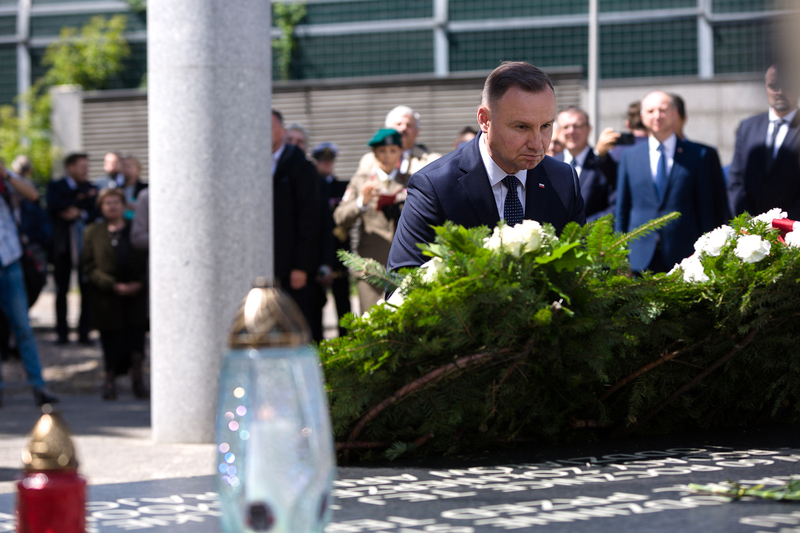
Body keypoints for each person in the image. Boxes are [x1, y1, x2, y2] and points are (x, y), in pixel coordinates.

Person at [387, 61, 586, 272]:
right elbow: (402, 278)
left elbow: (585, 271)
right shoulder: (434, 186)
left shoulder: (563, 180)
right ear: (484, 120)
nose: (537, 143)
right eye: (522, 127)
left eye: (546, 126)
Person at [615, 91, 730, 273]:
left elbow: (708, 208)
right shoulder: (629, 157)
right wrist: (619, 256)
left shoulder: (698, 155)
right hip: (639, 257)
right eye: (650, 111)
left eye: (662, 110)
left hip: (686, 256)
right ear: (643, 117)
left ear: (675, 113)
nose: (657, 116)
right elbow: (622, 209)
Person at [0, 158, 59, 407]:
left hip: (10, 258)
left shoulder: (6, 180)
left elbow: (33, 195)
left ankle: (38, 386)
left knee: (22, 326)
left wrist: (5, 174)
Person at [82, 188, 149, 400]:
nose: (112, 207)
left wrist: (139, 283)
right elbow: (89, 266)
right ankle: (110, 381)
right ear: (101, 207)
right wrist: (112, 285)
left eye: (116, 202)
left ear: (124, 205)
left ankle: (138, 381)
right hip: (108, 299)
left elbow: (148, 259)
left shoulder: (136, 230)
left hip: (136, 296)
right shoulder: (92, 232)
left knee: (136, 343)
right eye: (107, 203)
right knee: (110, 343)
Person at [334, 129, 409, 311]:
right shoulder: (361, 181)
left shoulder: (411, 181)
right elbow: (339, 217)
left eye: (393, 150)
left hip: (404, 267)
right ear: (374, 153)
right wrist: (361, 202)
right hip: (370, 269)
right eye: (382, 151)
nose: (387, 156)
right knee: (371, 320)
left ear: (400, 152)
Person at [727, 64, 800, 219]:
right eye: (773, 86)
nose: (780, 91)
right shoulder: (747, 127)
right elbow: (735, 181)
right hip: (750, 226)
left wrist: (783, 223)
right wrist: (749, 222)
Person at [272, 110, 320, 323]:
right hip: (265, 263)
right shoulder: (252, 161)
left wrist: (301, 266)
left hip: (291, 267)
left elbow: (310, 219)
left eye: (270, 127)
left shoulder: (300, 165)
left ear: (282, 131)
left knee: (294, 324)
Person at [46, 152, 98, 344]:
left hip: (84, 246)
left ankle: (84, 333)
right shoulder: (55, 186)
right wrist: (80, 199)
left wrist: (79, 212)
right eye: (82, 166)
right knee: (61, 289)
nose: (86, 170)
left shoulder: (91, 187)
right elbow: (53, 205)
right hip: (62, 246)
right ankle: (62, 333)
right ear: (70, 167)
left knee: (87, 290)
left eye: (87, 166)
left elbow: (95, 210)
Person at [311, 142, 350, 337]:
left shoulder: (342, 187)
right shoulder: (312, 186)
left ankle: (347, 341)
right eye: (322, 161)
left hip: (339, 249)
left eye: (329, 161)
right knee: (316, 304)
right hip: (317, 251)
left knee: (343, 302)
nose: (326, 165)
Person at [556, 106, 617, 221]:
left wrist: (586, 226)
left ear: (588, 129)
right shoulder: (550, 164)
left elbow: (616, 206)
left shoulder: (603, 163)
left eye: (577, 126)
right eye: (566, 127)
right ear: (559, 131)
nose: (571, 131)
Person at [355, 105, 440, 177]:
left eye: (409, 125)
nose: (403, 128)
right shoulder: (369, 160)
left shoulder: (432, 161)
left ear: (417, 132)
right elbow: (356, 187)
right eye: (398, 124)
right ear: (387, 129)